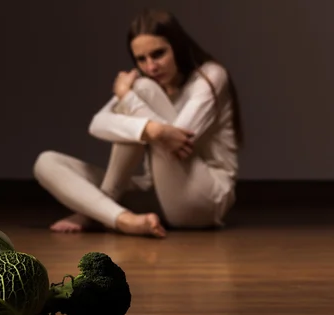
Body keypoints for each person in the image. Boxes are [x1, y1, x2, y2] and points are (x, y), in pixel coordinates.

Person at [33, 8, 243, 238]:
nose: (151, 67)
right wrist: (149, 129)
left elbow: (178, 139)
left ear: (178, 46)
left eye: (159, 54)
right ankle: (122, 219)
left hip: (206, 199)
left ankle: (97, 210)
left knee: (141, 90)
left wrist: (128, 97)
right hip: (159, 194)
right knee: (46, 163)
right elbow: (97, 124)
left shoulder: (211, 75)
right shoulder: (148, 85)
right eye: (141, 59)